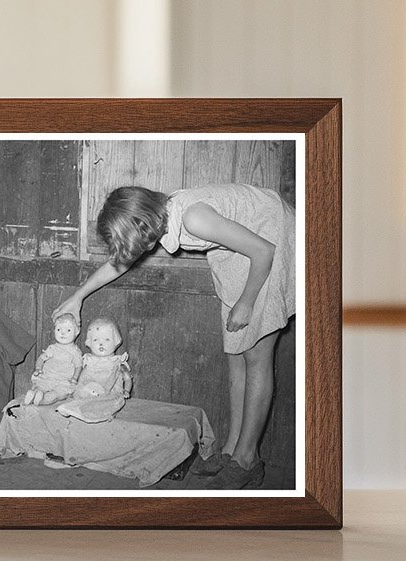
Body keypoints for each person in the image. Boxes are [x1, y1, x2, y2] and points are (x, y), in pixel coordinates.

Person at [51, 183, 295, 490]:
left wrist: (246, 303)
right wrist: (78, 297)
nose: (134, 253)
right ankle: (232, 450)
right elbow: (119, 264)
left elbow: (264, 250)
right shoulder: (161, 214)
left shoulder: (194, 218)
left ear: (143, 225)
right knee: (237, 355)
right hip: (242, 251)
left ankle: (247, 460)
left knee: (257, 357)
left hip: (271, 240)